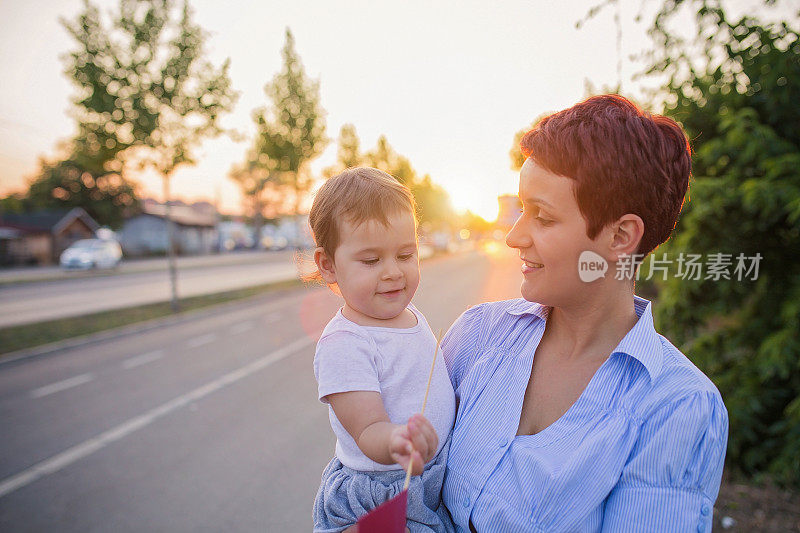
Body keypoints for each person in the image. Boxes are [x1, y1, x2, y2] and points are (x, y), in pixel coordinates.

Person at [415, 95, 729, 532]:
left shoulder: (676, 406)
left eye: (542, 217)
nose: (514, 237)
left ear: (620, 237)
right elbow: (400, 489)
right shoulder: (478, 336)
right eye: (521, 210)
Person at [309, 167, 456, 532]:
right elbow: (367, 428)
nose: (393, 272)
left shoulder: (409, 314)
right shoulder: (345, 343)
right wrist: (396, 439)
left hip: (429, 477)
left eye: (405, 255)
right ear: (328, 266)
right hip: (384, 492)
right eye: (372, 261)